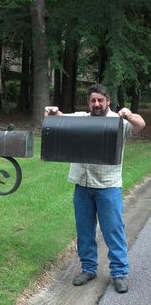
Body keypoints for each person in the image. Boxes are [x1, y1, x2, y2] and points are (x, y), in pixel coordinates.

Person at [44, 83, 146, 293]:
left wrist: (128, 114)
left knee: (113, 231)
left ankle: (119, 273)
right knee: (84, 231)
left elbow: (140, 124)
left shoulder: (118, 122)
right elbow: (61, 119)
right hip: (82, 185)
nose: (96, 104)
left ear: (108, 101)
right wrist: (54, 112)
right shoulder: (82, 118)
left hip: (108, 187)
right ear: (89, 102)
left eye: (100, 100)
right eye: (93, 100)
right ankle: (88, 269)